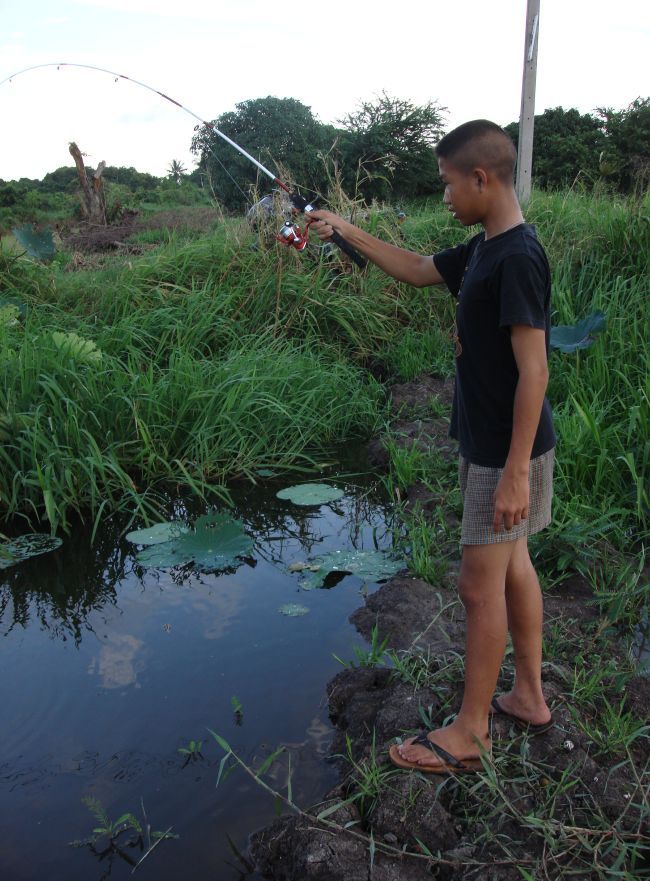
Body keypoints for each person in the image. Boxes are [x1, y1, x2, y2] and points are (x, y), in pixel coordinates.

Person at [308, 120, 556, 774]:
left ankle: (471, 733)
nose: (443, 195)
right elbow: (419, 270)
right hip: (493, 440)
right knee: (515, 565)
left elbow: (535, 371)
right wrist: (348, 230)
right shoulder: (482, 248)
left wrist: (514, 474)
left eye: (448, 182)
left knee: (479, 588)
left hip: (507, 450)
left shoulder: (518, 257)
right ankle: (528, 695)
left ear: (482, 178)